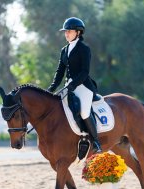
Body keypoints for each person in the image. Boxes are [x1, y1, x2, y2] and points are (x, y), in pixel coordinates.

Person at [47, 17, 102, 153]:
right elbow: (60, 71)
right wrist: (51, 88)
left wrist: (73, 85)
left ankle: (95, 142)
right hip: (69, 86)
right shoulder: (64, 50)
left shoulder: (84, 49)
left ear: (78, 32)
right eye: (65, 31)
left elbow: (85, 72)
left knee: (83, 112)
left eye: (69, 31)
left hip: (83, 86)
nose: (66, 34)